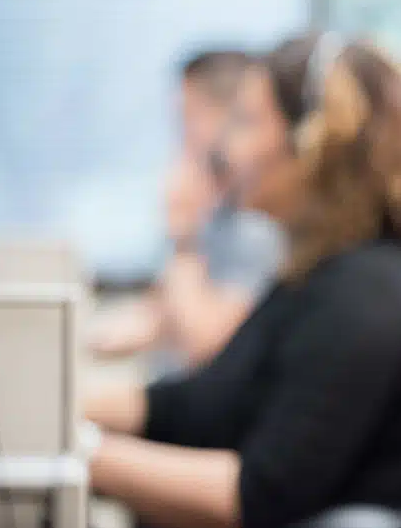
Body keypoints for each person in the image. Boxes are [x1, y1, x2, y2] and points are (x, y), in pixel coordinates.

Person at [83, 33, 401, 528]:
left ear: (314, 145)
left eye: (249, 123)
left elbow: (264, 492)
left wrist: (81, 454)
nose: (227, 150)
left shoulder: (367, 294)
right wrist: (58, 411)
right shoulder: (313, 276)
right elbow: (197, 404)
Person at [92, 51, 284, 368]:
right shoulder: (219, 211)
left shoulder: (257, 223)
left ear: (229, 116)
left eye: (189, 117)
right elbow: (171, 305)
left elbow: (207, 344)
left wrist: (182, 235)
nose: (181, 135)